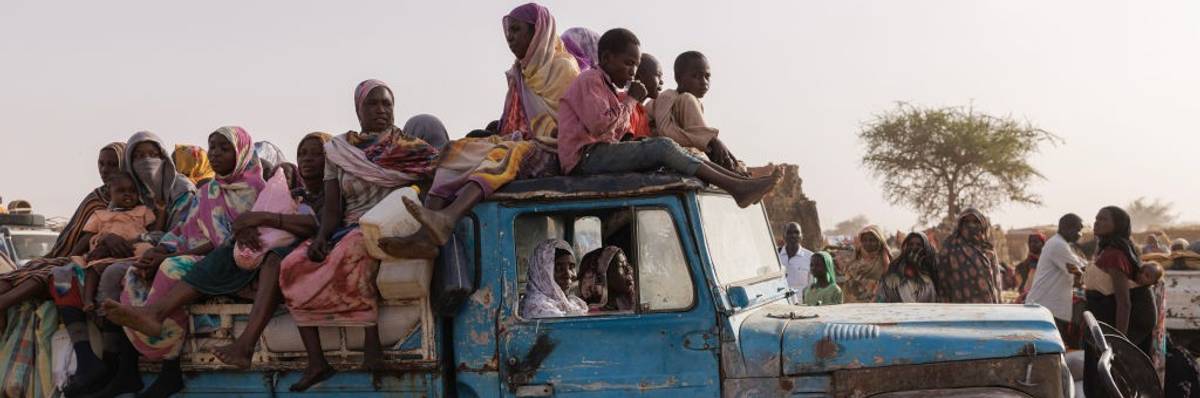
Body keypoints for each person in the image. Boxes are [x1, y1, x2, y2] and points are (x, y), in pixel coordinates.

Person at [279, 79, 438, 392]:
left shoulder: (409, 150)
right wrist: (322, 238)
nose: (380, 110)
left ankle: (371, 344)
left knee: (355, 249)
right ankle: (316, 361)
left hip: (387, 226)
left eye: (386, 104)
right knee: (291, 264)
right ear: (358, 108)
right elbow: (333, 207)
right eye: (372, 104)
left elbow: (437, 180)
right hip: (345, 226)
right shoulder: (339, 150)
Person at [97, 126, 266, 397]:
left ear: (242, 151)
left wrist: (169, 257)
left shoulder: (256, 189)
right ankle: (128, 368)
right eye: (212, 147)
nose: (216, 154)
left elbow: (227, 240)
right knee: (134, 272)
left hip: (233, 262)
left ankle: (169, 368)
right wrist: (160, 249)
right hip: (197, 254)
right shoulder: (208, 190)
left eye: (224, 148)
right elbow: (186, 230)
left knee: (171, 269)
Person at [555, 28, 779, 208]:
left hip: (597, 153)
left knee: (671, 150)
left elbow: (614, 131)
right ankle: (737, 187)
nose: (633, 71)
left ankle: (739, 183)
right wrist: (632, 100)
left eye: (636, 64)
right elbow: (600, 126)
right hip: (583, 159)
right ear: (605, 58)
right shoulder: (590, 80)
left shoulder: (608, 87)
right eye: (628, 63)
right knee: (663, 147)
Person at [46, 135, 197, 398]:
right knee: (62, 276)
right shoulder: (128, 193)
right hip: (112, 256)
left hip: (161, 253)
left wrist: (140, 242)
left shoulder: (180, 190)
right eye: (138, 157)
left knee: (120, 274)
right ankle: (89, 360)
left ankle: (120, 365)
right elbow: (95, 232)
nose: (146, 162)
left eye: (152, 154)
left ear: (163, 157)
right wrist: (103, 239)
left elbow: (181, 232)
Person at [1083, 206, 1158, 397]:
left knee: (1110, 374)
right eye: (1096, 218)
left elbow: (1124, 301)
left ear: (1118, 225)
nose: (1097, 222)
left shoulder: (1114, 255)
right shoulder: (1108, 249)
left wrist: (1118, 342)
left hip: (1120, 319)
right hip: (1108, 317)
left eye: (1104, 219)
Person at [72, 174, 158, 314]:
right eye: (121, 191)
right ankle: (88, 300)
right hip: (105, 251)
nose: (127, 194)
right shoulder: (99, 215)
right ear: (109, 193)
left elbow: (155, 231)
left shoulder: (142, 211)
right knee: (92, 269)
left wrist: (161, 212)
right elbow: (89, 237)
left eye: (132, 191)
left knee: (146, 249)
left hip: (132, 249)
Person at [648, 51, 744, 174]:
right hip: (656, 148)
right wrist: (710, 141)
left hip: (680, 148)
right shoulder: (668, 96)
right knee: (688, 99)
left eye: (707, 76)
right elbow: (665, 131)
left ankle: (721, 161)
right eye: (695, 76)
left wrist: (709, 142)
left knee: (737, 164)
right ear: (678, 78)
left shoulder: (691, 102)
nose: (704, 81)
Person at [498, 2, 581, 138]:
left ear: (537, 31)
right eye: (508, 31)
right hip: (516, 140)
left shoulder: (563, 68)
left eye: (516, 29)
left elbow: (567, 124)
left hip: (553, 146)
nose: (509, 37)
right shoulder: (518, 73)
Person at [1024, 213, 1085, 347]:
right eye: (1078, 229)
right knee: (1048, 349)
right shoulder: (1058, 245)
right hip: (1047, 308)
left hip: (1049, 307)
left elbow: (1080, 263)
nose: (1080, 234)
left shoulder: (1061, 244)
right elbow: (1080, 269)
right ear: (1065, 228)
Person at [935, 209, 1002, 304]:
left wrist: (998, 304)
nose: (971, 225)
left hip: (987, 307)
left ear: (982, 224)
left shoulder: (988, 248)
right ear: (960, 224)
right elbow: (942, 280)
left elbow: (996, 281)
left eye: (975, 222)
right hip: (959, 308)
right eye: (967, 221)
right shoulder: (950, 246)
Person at [521, 239, 587, 318]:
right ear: (542, 274)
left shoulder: (571, 302)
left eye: (571, 267)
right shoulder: (538, 308)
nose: (568, 274)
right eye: (559, 268)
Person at [876, 232, 938, 303]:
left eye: (919, 245)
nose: (914, 247)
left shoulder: (929, 280)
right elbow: (881, 300)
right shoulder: (892, 275)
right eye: (911, 244)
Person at [840, 225, 892, 303]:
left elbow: (887, 277)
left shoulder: (883, 260)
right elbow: (848, 279)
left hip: (876, 302)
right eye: (864, 240)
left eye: (872, 240)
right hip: (853, 303)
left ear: (879, 241)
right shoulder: (856, 257)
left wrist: (884, 254)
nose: (868, 243)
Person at [578, 246, 636, 313]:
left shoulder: (631, 303)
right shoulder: (592, 313)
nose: (629, 269)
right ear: (604, 275)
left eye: (627, 264)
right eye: (622, 266)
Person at [626, 52, 662, 140]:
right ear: (639, 76)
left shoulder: (644, 112)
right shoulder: (624, 102)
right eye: (658, 75)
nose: (661, 82)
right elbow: (624, 141)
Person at [777, 222, 814, 292]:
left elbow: (813, 286)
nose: (793, 235)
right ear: (783, 236)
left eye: (796, 232)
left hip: (801, 302)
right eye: (789, 232)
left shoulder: (811, 257)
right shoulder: (775, 255)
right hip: (779, 301)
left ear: (801, 236)